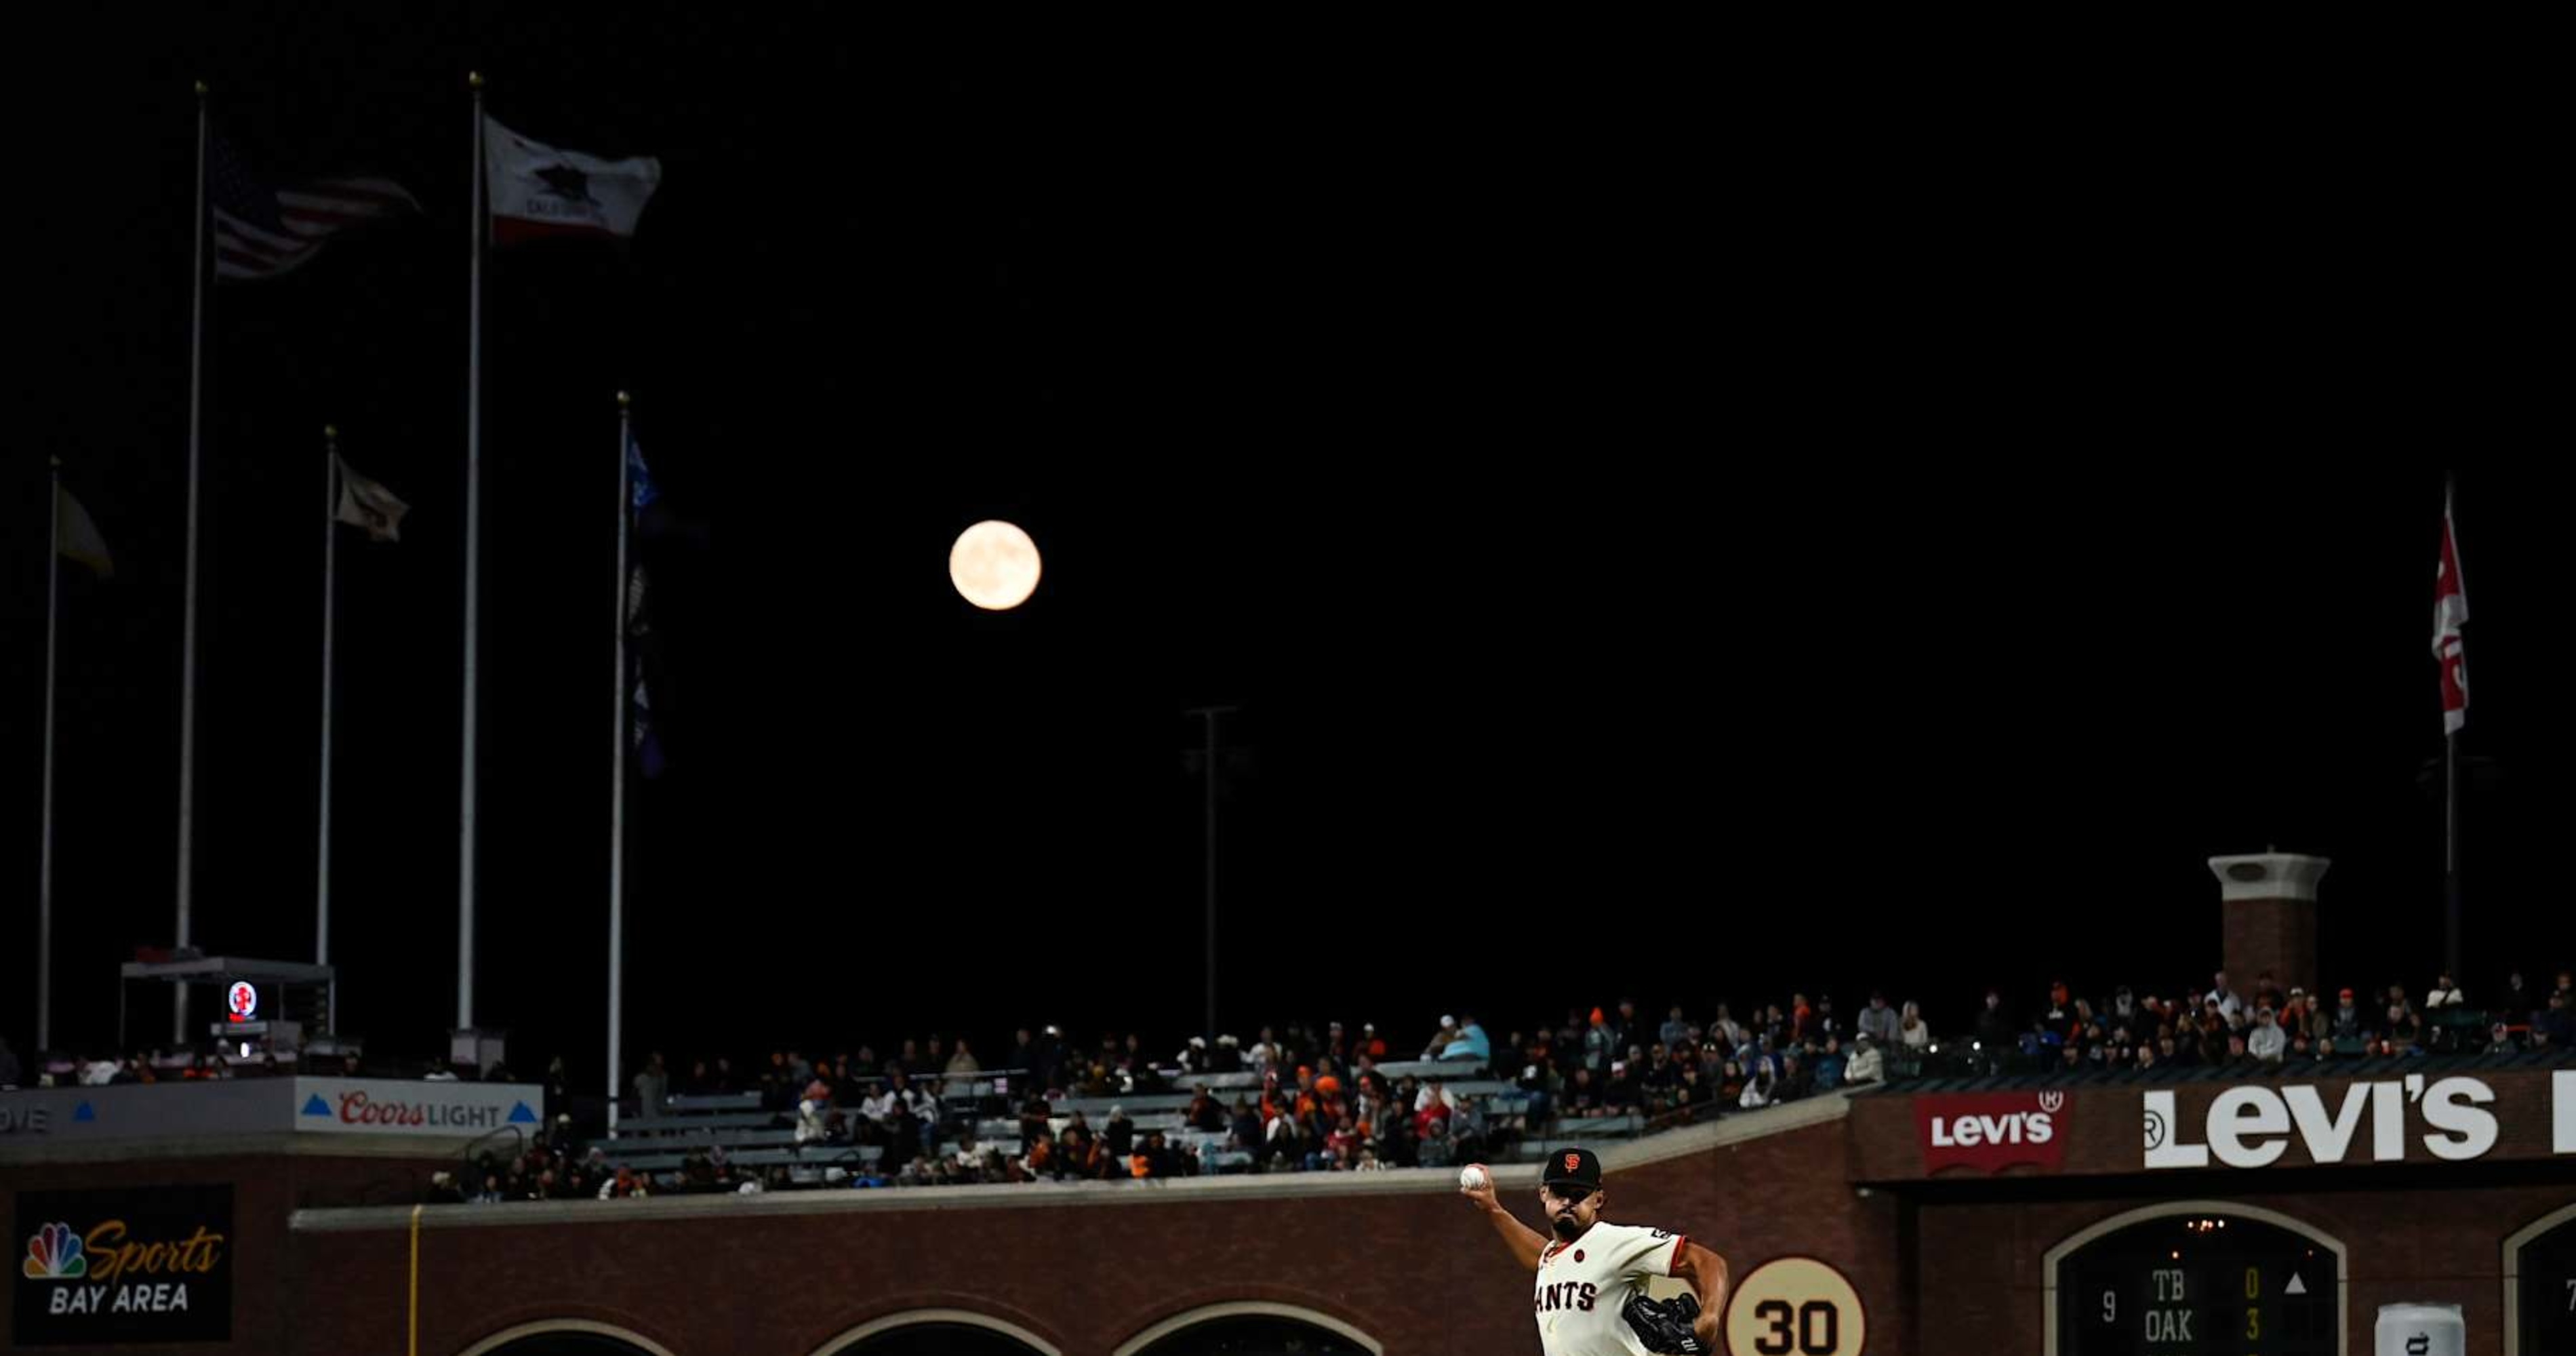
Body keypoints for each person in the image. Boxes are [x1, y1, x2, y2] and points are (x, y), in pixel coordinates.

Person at [1460, 1146, 1729, 1354]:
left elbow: (1707, 1261)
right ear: (1543, 1194)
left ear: (1598, 1199)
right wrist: (1494, 1209)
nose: (1567, 1201)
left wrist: (1709, 1318)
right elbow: (1542, 1257)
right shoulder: (1554, 1257)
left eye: (1578, 1195)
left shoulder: (1615, 1241)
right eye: (1560, 1192)